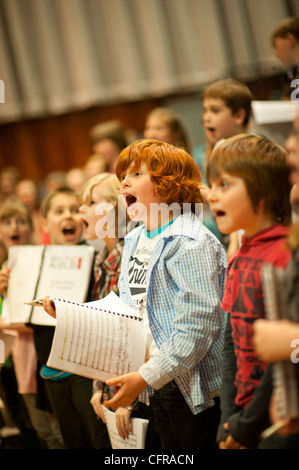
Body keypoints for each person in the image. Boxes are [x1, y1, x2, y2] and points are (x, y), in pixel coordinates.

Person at [94, 139, 228, 450]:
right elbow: (134, 312)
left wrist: (146, 376)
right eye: (123, 175)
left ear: (168, 186)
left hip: (190, 387)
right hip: (153, 383)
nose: (124, 182)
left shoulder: (190, 241)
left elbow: (198, 327)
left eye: (136, 174)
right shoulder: (136, 236)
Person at [206, 133, 297, 449]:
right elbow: (231, 341)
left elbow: (285, 357)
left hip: (276, 421)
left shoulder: (285, 255)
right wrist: (227, 418)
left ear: (264, 194)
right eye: (212, 185)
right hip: (242, 417)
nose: (212, 196)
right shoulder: (240, 256)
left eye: (225, 185)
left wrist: (247, 426)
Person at [31, 187, 110, 449]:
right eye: (59, 211)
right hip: (52, 374)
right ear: (44, 223)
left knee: (99, 441)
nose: (69, 216)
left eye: (75, 210)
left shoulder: (97, 260)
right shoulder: (34, 263)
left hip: (86, 373)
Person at [0, 200, 63, 449]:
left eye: (21, 221)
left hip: (41, 352)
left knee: (55, 427)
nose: (15, 227)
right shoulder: (3, 268)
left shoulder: (45, 259)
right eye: (7, 222)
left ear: (32, 227)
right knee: (37, 429)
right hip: (11, 358)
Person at [194, 79, 254, 252]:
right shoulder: (220, 149)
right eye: (205, 111)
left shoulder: (253, 150)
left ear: (239, 116)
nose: (206, 117)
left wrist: (235, 243)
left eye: (215, 110)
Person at [271, 16, 299, 97]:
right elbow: (296, 100)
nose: (276, 53)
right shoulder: (295, 71)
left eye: (276, 46)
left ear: (290, 40)